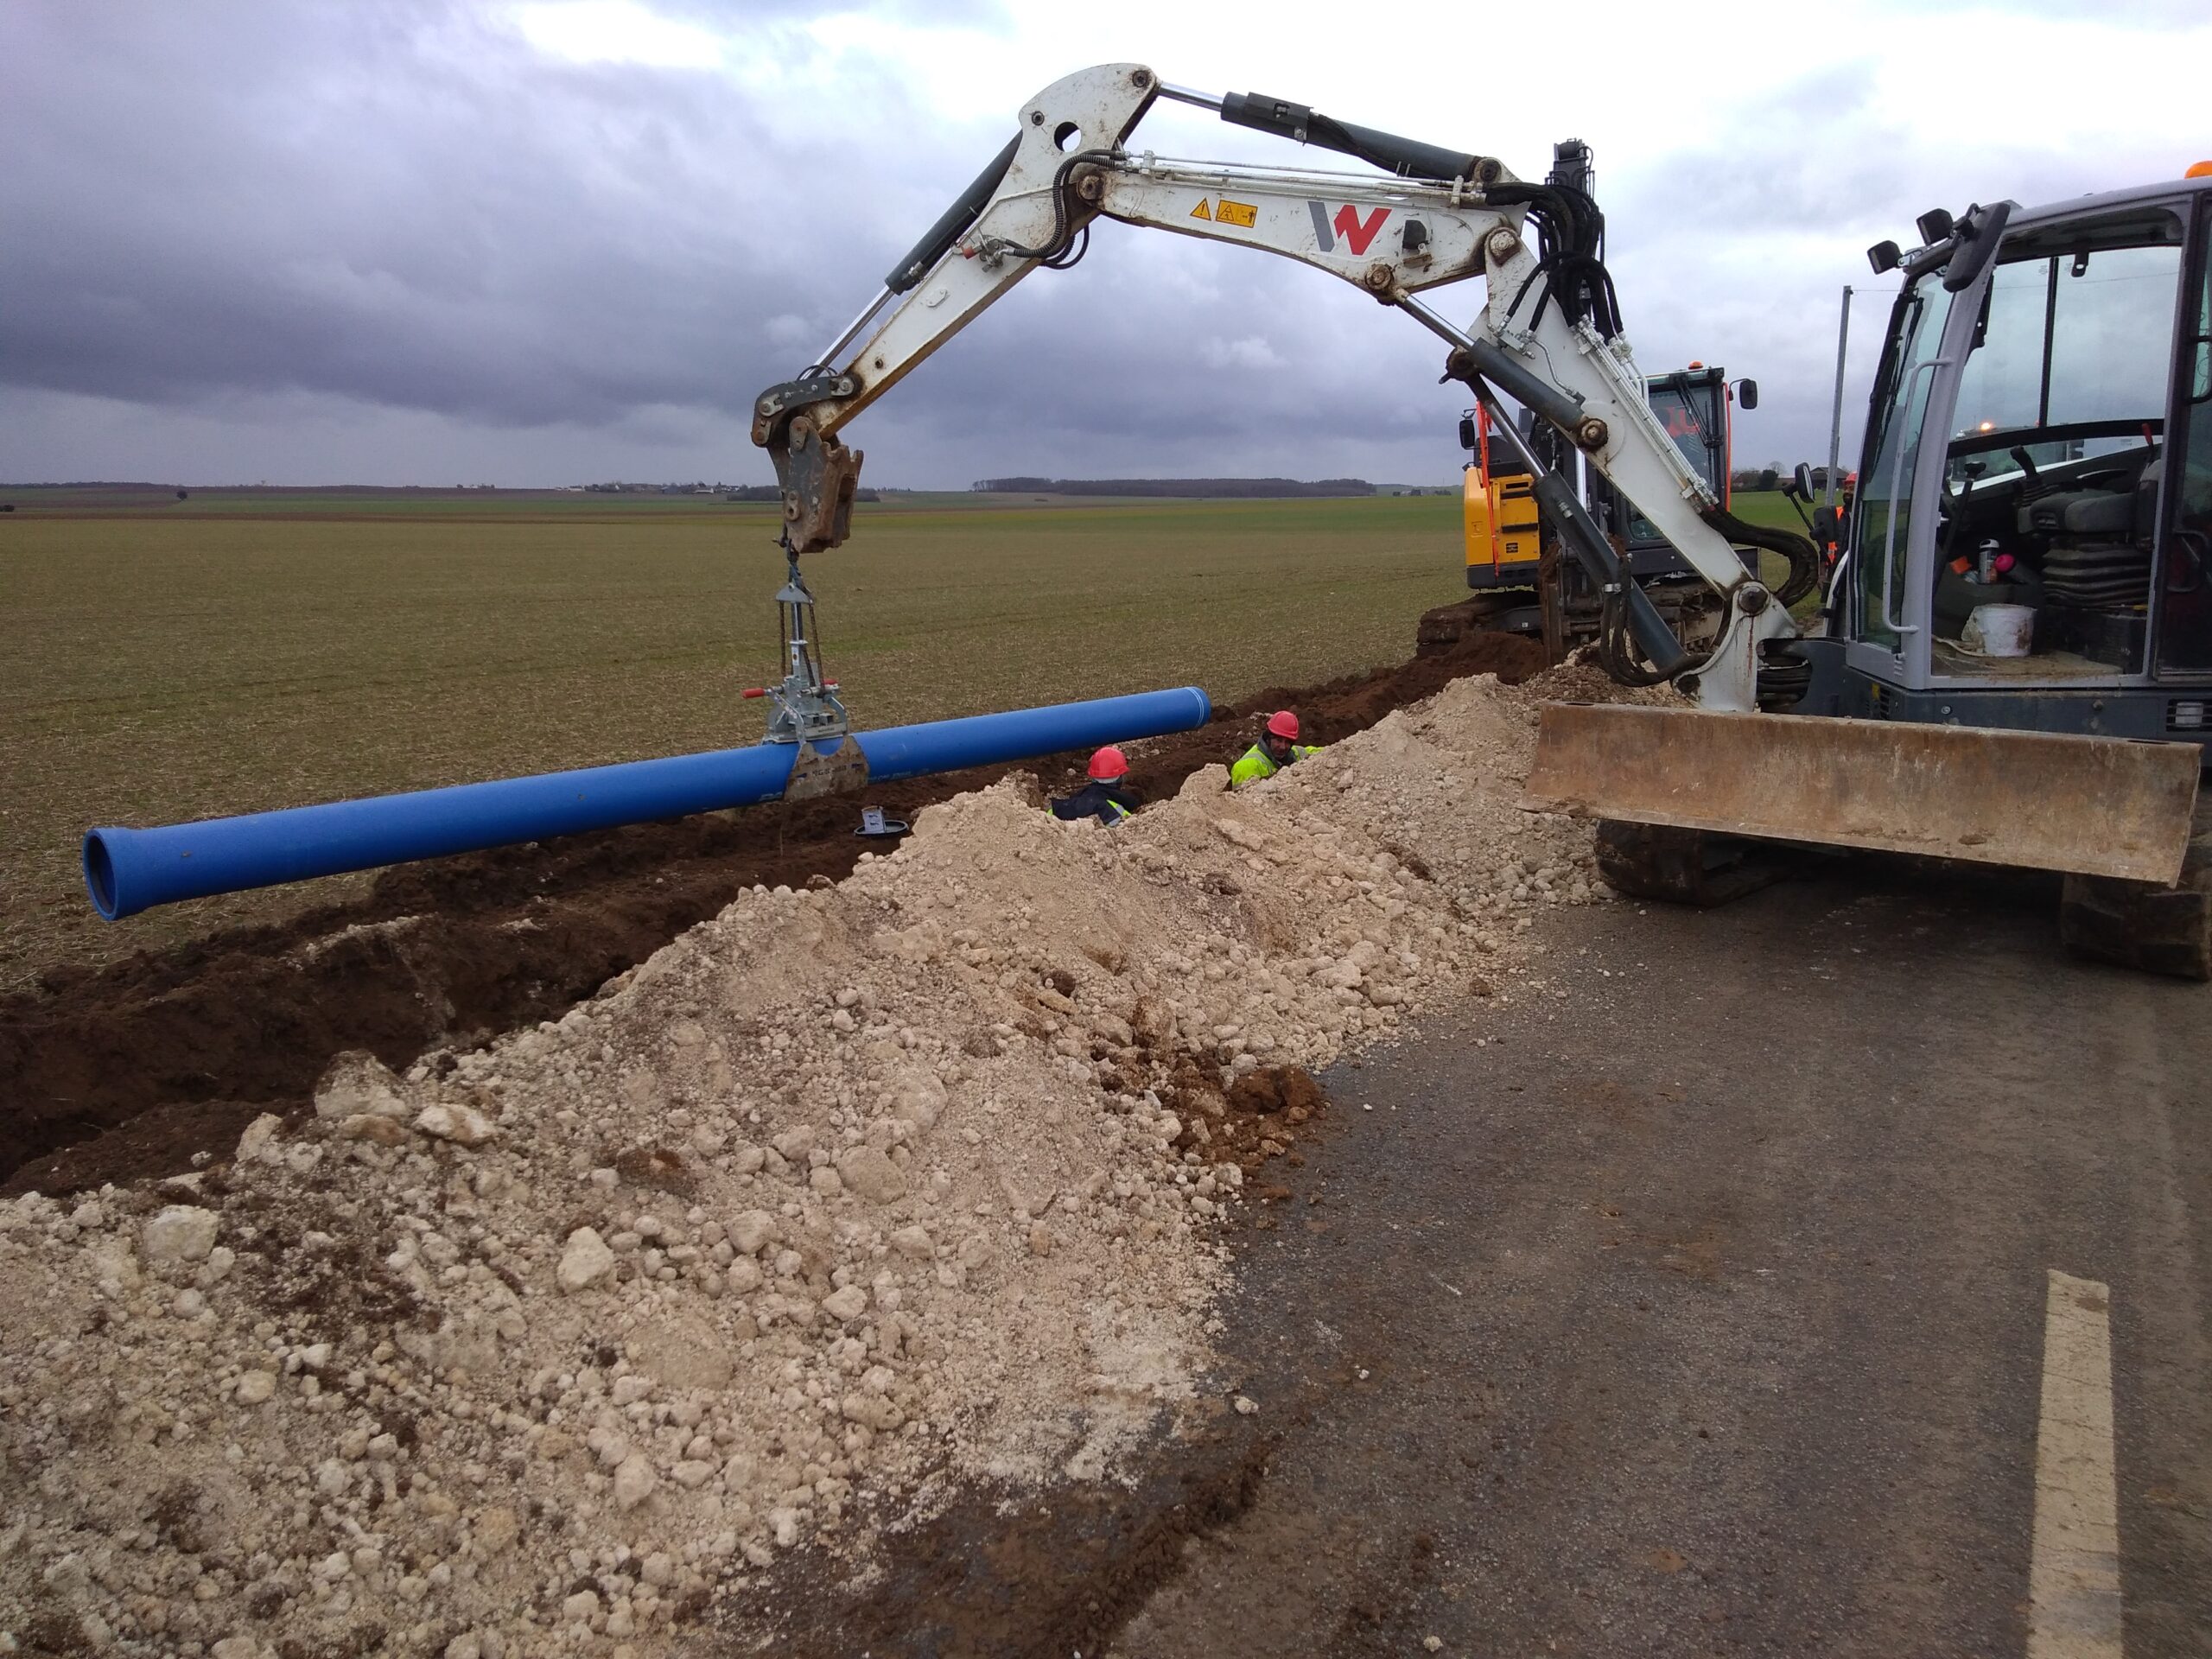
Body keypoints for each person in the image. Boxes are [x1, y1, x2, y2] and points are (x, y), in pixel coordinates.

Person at [1051, 746, 1143, 826]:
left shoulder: (1067, 804)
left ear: (1093, 776)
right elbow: (1129, 828)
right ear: (1120, 777)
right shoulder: (1114, 808)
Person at [1230, 709, 1323, 787]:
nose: (1283, 747)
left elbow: (1329, 754)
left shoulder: (1296, 753)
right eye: (1279, 740)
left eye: (1287, 742)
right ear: (1268, 738)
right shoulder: (1246, 766)